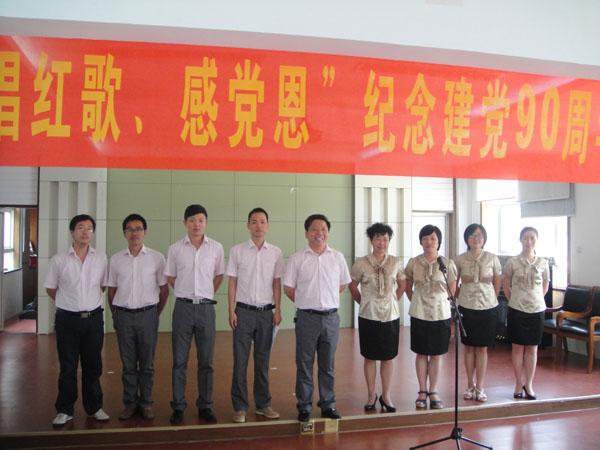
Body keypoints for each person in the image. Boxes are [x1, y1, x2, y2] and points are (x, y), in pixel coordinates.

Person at [284, 214, 351, 422]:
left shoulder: (337, 257)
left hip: (331, 318)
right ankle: (304, 406)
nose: (319, 233)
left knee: (327, 365)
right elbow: (288, 288)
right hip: (307, 318)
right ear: (307, 233)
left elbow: (342, 284)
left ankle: (328, 404)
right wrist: (307, 302)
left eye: (323, 229)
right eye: (314, 229)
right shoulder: (297, 258)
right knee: (304, 364)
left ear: (328, 233)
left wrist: (326, 300)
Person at [44, 214, 109, 426]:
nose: (85, 232)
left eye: (89, 228)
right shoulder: (59, 259)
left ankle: (94, 407)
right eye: (81, 228)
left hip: (93, 319)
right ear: (72, 232)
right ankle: (64, 410)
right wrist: (69, 303)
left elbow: (102, 286)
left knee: (93, 366)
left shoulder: (101, 258)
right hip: (67, 320)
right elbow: (51, 289)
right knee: (68, 366)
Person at [165, 204, 225, 424]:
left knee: (206, 361)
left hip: (206, 309)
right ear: (185, 223)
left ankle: (205, 405)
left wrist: (205, 293)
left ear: (206, 222)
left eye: (200, 220)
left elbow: (219, 275)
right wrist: (185, 292)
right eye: (192, 220)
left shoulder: (216, 248)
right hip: (183, 308)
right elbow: (171, 276)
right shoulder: (175, 249)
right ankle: (178, 406)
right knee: (179, 360)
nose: (196, 224)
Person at [107, 213, 169, 421]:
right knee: (128, 364)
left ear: (145, 232)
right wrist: (116, 314)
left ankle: (147, 403)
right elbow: (111, 291)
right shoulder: (116, 260)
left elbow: (164, 290)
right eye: (130, 229)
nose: (134, 233)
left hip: (148, 316)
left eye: (138, 229)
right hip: (123, 316)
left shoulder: (157, 258)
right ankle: (130, 403)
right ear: (124, 233)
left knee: (147, 363)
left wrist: (154, 314)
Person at [226, 207, 284, 423]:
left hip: (266, 314)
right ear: (248, 225)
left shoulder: (275, 252)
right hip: (243, 313)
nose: (258, 225)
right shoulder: (237, 251)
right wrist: (231, 310)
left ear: (267, 225)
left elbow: (276, 283)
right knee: (240, 361)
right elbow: (232, 281)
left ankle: (263, 404)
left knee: (262, 361)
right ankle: (240, 407)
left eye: (262, 221)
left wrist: (278, 310)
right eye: (254, 221)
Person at [348, 223, 406, 413]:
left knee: (388, 357)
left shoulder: (395, 262)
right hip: (369, 315)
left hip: (390, 316)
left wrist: (392, 301)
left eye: (385, 239)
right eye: (378, 238)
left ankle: (386, 395)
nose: (382, 242)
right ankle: (371, 394)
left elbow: (402, 285)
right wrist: (364, 302)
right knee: (370, 356)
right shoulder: (361, 262)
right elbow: (352, 285)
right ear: (371, 240)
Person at [405, 224, 457, 410]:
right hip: (419, 312)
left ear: (438, 241)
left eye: (433, 238)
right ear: (421, 241)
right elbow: (408, 287)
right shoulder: (413, 262)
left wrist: (439, 302)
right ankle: (422, 390)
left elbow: (452, 289)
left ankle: (433, 391)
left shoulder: (447, 264)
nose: (429, 242)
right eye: (425, 238)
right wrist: (418, 301)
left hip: (440, 313)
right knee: (421, 352)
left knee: (436, 354)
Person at [453, 224, 502, 403]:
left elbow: (498, 280)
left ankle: (480, 386)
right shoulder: (460, 259)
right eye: (472, 235)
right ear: (467, 239)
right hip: (466, 306)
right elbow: (453, 282)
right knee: (469, 347)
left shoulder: (492, 258)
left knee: (482, 348)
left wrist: (492, 296)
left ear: (484, 239)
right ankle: (469, 384)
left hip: (487, 307)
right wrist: (460, 296)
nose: (476, 239)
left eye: (480, 235)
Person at [502, 226, 549, 401]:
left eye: (532, 238)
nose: (529, 241)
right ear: (520, 240)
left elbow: (545, 285)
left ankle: (529, 384)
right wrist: (515, 299)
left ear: (537, 240)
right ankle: (517, 383)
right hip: (517, 308)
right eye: (526, 238)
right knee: (517, 347)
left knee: (532, 348)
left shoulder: (543, 263)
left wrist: (535, 299)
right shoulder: (512, 262)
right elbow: (506, 285)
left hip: (536, 309)